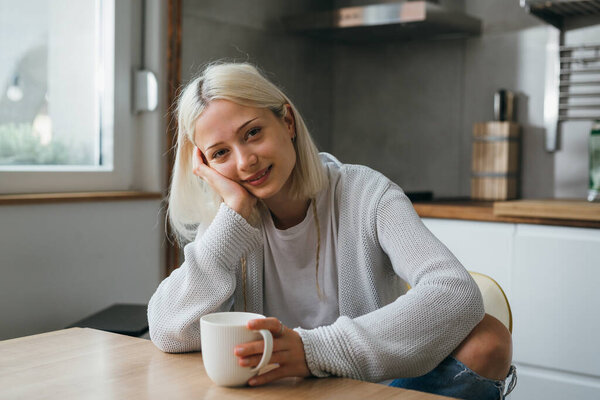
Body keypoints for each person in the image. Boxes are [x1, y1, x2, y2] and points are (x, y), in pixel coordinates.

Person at [148, 62, 516, 399]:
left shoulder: (366, 193)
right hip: (273, 391)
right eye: (220, 153)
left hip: (367, 389)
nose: (246, 161)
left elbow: (455, 291)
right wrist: (235, 215)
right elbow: (168, 330)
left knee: (488, 339)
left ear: (287, 122)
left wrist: (313, 351)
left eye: (253, 132)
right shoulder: (228, 222)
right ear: (205, 165)